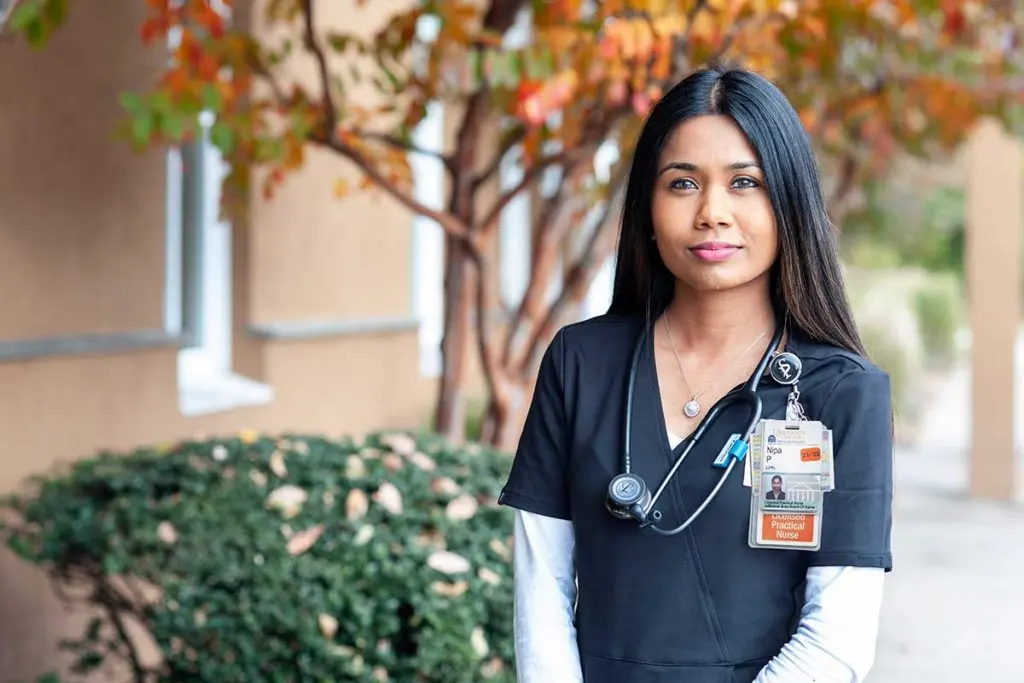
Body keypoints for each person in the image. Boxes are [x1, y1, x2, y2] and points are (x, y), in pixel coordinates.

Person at [498, 65, 894, 683]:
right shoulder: (580, 362)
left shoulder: (841, 393)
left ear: (789, 202)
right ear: (648, 207)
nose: (713, 212)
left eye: (745, 183)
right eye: (682, 183)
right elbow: (540, 590)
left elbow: (838, 639)